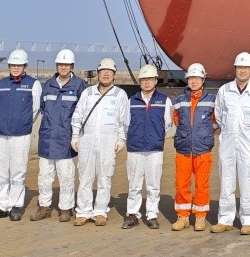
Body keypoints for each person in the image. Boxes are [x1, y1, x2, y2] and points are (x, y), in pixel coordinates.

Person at [211, 52, 250, 235]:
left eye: (246, 68)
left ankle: (248, 219)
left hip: (248, 143)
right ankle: (225, 219)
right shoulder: (224, 90)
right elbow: (219, 115)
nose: (242, 71)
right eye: (239, 67)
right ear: (235, 69)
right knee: (226, 181)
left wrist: (247, 131)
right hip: (227, 141)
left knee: (248, 179)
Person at [70, 58, 130, 226]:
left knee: (105, 177)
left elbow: (124, 120)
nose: (106, 74)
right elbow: (77, 115)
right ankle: (83, 211)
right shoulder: (87, 93)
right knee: (85, 177)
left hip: (108, 142)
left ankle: (100, 212)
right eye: (103, 71)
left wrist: (121, 139)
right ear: (98, 73)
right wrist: (75, 136)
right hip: (87, 141)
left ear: (114, 75)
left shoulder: (120, 95)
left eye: (109, 72)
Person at [0, 48, 41, 222]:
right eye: (13, 65)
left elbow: (35, 109)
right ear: (9, 66)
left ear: (25, 67)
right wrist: (1, 121)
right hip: (1, 134)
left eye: (19, 65)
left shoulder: (33, 84)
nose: (16, 68)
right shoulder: (0, 84)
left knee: (18, 170)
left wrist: (23, 123)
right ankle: (0, 205)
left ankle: (15, 206)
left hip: (20, 134)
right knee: (0, 171)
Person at [30, 49, 85, 222]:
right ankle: (44, 206)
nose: (63, 67)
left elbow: (83, 112)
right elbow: (43, 108)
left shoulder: (79, 86)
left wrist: (76, 136)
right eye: (61, 64)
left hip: (66, 140)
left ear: (72, 66)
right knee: (44, 176)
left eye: (66, 64)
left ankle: (66, 208)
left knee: (66, 176)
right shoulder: (48, 85)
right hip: (47, 138)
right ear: (56, 65)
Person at [123, 64, 173, 230]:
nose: (146, 82)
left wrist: (155, 137)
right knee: (134, 184)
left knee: (153, 185)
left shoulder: (164, 101)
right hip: (135, 149)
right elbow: (126, 124)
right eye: (143, 79)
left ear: (155, 81)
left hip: (154, 149)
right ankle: (133, 214)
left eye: (150, 79)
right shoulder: (131, 101)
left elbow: (167, 124)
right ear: (139, 82)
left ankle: (152, 215)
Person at [171, 62, 217, 231]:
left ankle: (200, 217)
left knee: (201, 185)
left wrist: (203, 134)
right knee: (181, 184)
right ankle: (182, 217)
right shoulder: (178, 101)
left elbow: (216, 122)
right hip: (183, 148)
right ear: (187, 80)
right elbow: (176, 120)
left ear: (203, 80)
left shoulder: (212, 100)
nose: (194, 81)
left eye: (197, 78)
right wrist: (187, 134)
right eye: (191, 78)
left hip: (202, 149)